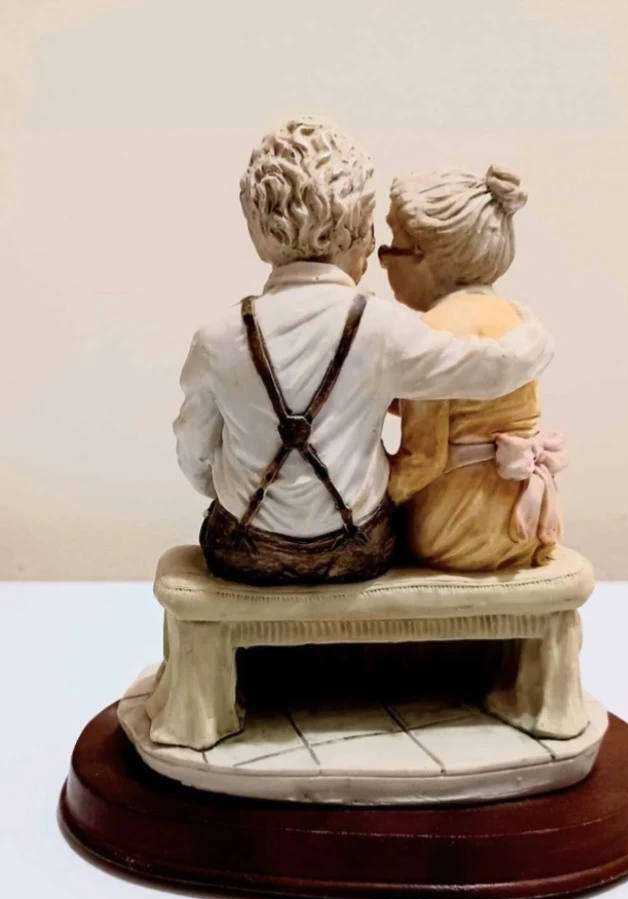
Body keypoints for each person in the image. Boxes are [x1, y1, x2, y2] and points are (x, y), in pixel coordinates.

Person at [173, 119, 555, 585]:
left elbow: (193, 449)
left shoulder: (216, 337)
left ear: (257, 231)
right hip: (356, 551)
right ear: (360, 231)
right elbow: (494, 369)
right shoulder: (382, 328)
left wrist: (227, 492)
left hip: (244, 553)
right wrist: (534, 331)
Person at [385, 166, 566, 571]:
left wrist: (368, 500)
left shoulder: (433, 333)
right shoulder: (519, 319)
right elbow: (479, 410)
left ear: (423, 255)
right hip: (527, 521)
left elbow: (422, 459)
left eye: (392, 245)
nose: (383, 261)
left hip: (455, 528)